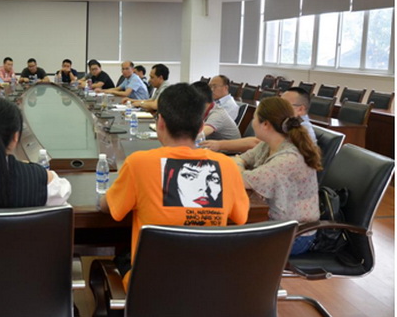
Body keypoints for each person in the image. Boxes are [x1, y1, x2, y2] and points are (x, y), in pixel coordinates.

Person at [99, 83, 249, 288]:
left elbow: (108, 207)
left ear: (160, 122)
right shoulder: (227, 166)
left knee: (121, 258)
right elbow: (241, 217)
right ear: (200, 127)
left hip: (151, 285)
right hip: (209, 284)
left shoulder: (138, 163)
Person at [233, 96, 321, 255]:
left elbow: (241, 179)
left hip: (294, 235)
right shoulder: (268, 144)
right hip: (273, 224)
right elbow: (242, 159)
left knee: (225, 242)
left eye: (254, 118)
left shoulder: (288, 158)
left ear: (266, 124)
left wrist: (239, 164)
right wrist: (239, 163)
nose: (252, 122)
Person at [201, 86, 317, 153]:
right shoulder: (286, 123)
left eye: (284, 104)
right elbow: (258, 144)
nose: (279, 107)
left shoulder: (302, 129)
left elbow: (256, 143)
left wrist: (220, 145)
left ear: (301, 109)